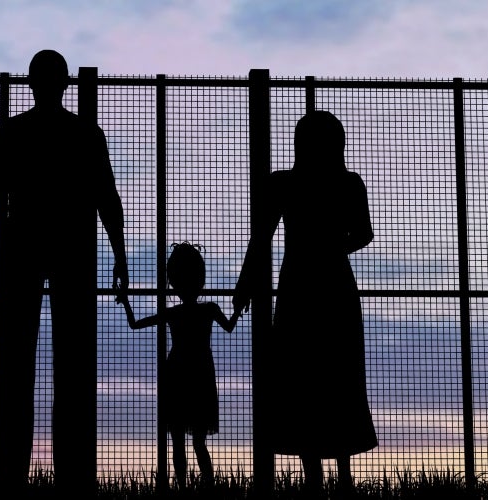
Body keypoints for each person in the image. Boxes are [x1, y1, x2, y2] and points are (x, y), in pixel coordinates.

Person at [0, 49, 129, 497]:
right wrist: (120, 253)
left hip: (22, 249)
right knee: (72, 370)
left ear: (31, 83)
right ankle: (72, 477)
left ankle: (13, 476)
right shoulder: (85, 134)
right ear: (66, 83)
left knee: (18, 367)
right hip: (73, 250)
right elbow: (107, 198)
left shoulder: (11, 132)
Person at [233, 110, 377, 498]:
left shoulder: (284, 183)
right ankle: (343, 475)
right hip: (334, 285)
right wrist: (332, 248)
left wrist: (245, 284)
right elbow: (364, 234)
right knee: (337, 374)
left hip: (298, 285)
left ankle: (314, 474)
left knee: (303, 374)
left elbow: (260, 238)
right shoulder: (348, 183)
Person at [117, 242, 239, 490]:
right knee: (198, 442)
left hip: (177, 374)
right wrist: (238, 307)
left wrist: (126, 301)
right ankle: (208, 486)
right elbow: (230, 326)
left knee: (178, 443)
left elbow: (134, 324)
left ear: (173, 280)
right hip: (201, 373)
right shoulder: (209, 309)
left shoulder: (174, 313)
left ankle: (183, 488)